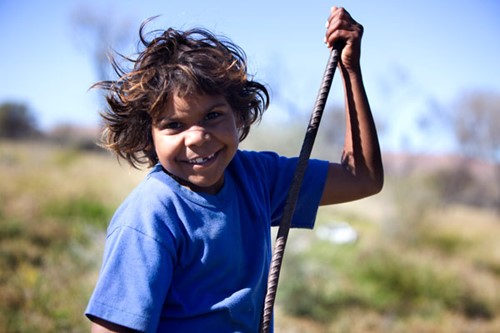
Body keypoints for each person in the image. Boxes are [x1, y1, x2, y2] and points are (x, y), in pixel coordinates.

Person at [85, 6, 383, 333]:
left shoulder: (256, 177)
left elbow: (362, 178)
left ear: (238, 116)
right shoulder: (150, 216)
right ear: (148, 136)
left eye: (212, 115)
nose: (197, 137)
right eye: (174, 125)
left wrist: (350, 69)